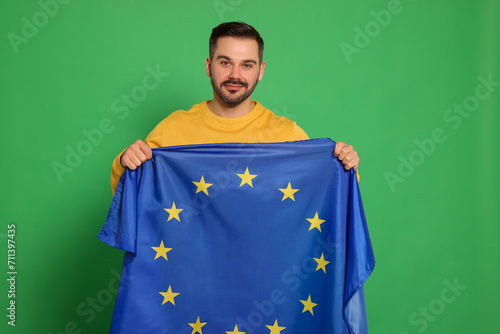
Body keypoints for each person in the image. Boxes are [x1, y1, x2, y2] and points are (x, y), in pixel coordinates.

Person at [111, 21, 359, 194]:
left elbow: (324, 191)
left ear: (261, 71)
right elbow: (130, 194)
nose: (235, 75)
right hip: (191, 267)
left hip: (263, 266)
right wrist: (125, 160)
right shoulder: (173, 128)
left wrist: (346, 166)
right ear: (209, 66)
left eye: (247, 65)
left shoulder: (287, 135)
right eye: (225, 62)